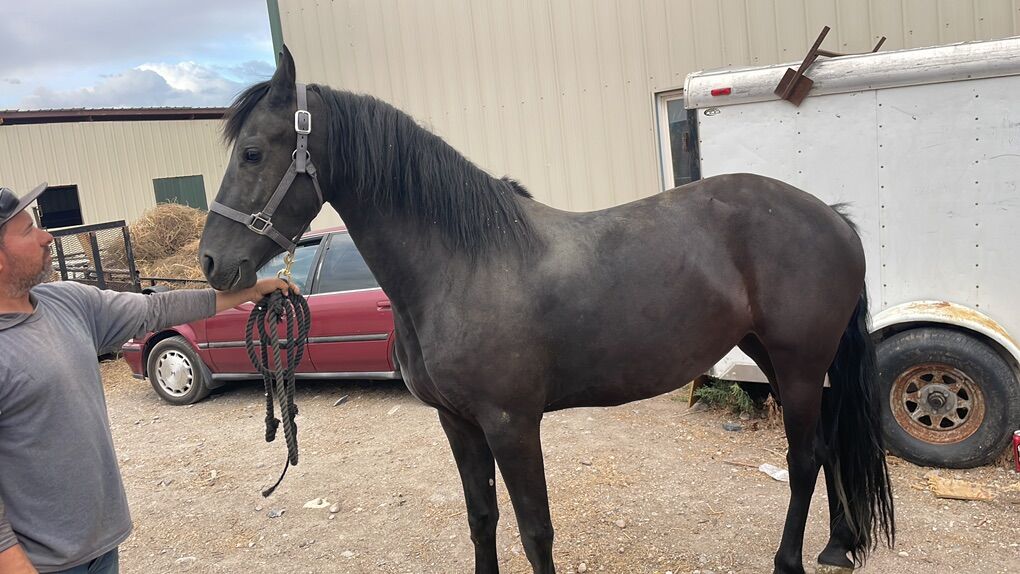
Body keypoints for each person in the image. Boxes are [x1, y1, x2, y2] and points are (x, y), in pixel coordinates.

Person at [0, 183, 296, 573]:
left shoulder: (67, 302)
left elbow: (156, 309)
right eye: (28, 231)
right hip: (40, 564)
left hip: (101, 549)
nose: (46, 237)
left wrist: (249, 291)